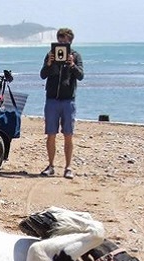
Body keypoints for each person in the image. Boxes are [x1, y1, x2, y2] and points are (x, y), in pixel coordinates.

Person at [39, 28, 84, 179]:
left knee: (68, 135)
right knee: (51, 134)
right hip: (52, 100)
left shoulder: (76, 56)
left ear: (70, 41)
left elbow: (81, 75)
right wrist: (49, 63)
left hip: (68, 100)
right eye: (60, 40)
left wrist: (72, 64)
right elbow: (42, 75)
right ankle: (51, 165)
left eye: (65, 41)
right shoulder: (50, 55)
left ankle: (68, 167)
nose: (62, 44)